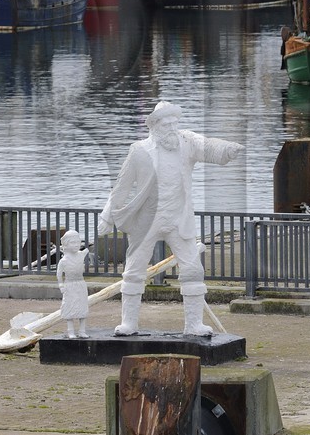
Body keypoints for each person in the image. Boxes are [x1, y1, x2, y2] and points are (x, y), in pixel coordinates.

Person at [99, 101, 242, 336]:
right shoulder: (139, 150)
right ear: (154, 125)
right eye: (167, 124)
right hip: (147, 220)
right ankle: (129, 323)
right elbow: (122, 186)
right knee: (134, 270)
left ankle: (194, 324)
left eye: (175, 123)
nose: (173, 128)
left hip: (178, 219)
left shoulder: (186, 143)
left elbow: (207, 147)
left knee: (193, 270)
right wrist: (107, 216)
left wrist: (227, 149)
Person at [56, 230, 90, 338]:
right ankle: (70, 331)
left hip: (80, 283)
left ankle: (82, 330)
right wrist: (61, 285)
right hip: (69, 284)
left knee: (82, 306)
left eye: (77, 242)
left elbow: (86, 250)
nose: (76, 245)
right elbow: (59, 274)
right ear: (66, 244)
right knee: (69, 306)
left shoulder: (81, 255)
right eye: (72, 243)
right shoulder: (64, 260)